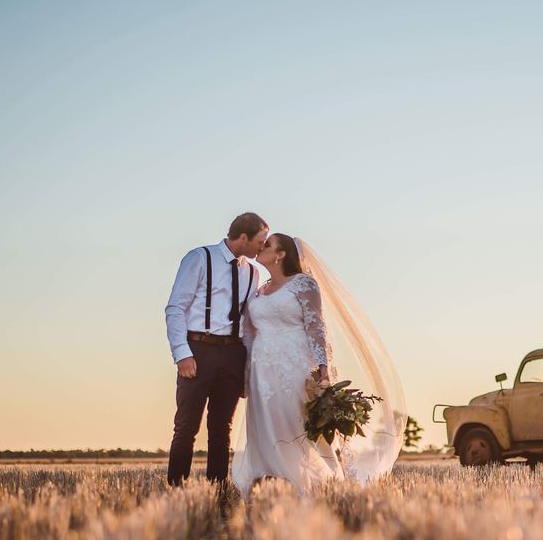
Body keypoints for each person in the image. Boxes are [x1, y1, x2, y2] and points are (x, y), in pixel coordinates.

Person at [231, 234, 405, 494]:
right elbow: (249, 333)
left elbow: (316, 328)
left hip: (295, 365)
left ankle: (312, 484)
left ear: (281, 255)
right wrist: (245, 372)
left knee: (295, 424)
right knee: (265, 424)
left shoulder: (304, 285)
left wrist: (322, 369)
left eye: (268, 245)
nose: (261, 247)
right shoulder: (259, 290)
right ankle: (268, 483)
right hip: (261, 369)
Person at [164, 212, 268, 485]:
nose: (263, 247)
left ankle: (217, 489)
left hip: (233, 353)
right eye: (260, 241)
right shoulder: (199, 258)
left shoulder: (253, 272)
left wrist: (246, 369)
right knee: (186, 426)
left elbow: (247, 324)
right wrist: (182, 353)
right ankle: (177, 489)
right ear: (243, 237)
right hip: (198, 349)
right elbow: (175, 308)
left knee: (222, 429)